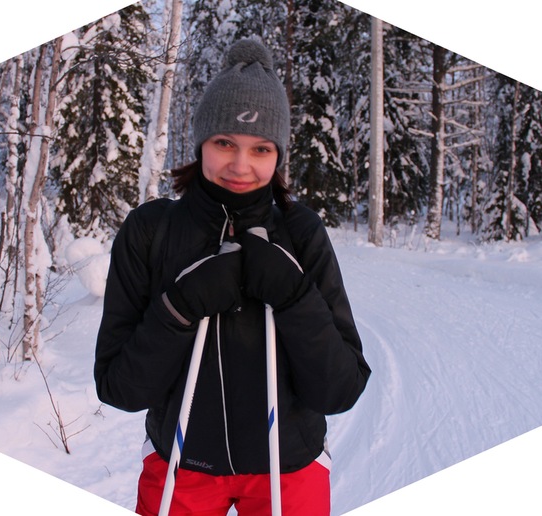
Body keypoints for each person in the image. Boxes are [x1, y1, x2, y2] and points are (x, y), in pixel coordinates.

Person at [94, 38, 371, 516]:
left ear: (277, 155)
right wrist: (180, 308)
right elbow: (119, 388)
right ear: (201, 141)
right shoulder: (150, 231)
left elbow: (340, 389)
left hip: (288, 468)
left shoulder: (301, 233)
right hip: (181, 466)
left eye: (260, 148)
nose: (241, 165)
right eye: (225, 143)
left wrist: (293, 297)